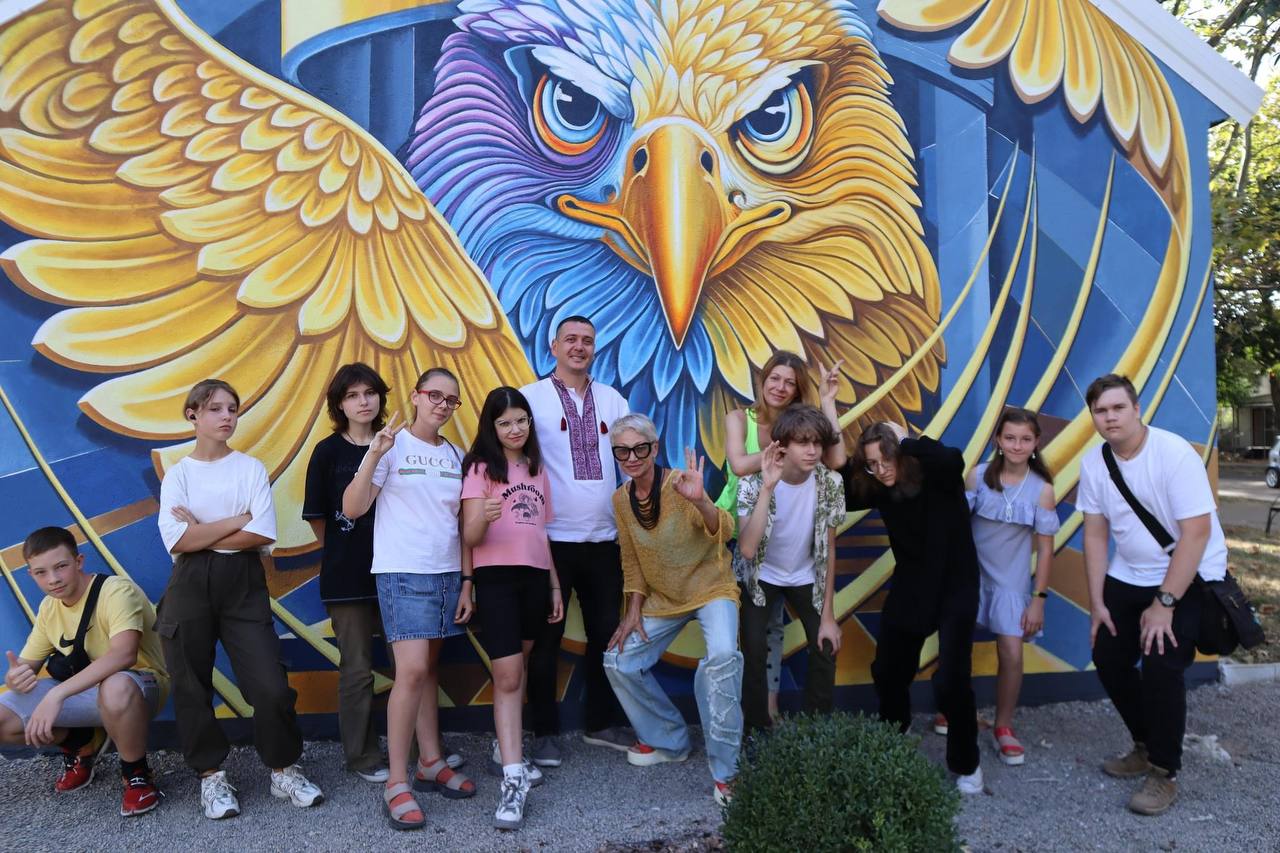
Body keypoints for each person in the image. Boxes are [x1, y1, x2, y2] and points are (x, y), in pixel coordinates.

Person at [156, 379, 322, 820]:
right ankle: (210, 776)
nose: (227, 416)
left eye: (232, 408)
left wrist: (201, 531)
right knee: (191, 683)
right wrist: (236, 520)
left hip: (244, 583)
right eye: (215, 408)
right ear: (193, 415)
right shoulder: (179, 475)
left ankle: (283, 768)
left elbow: (261, 533)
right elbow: (177, 540)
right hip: (190, 584)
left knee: (270, 684)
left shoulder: (249, 469)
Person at [1078, 374, 1227, 816]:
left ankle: (1164, 771)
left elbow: (1196, 534)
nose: (1110, 417)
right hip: (1129, 574)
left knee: (1161, 664)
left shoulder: (1173, 454)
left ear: (1137, 409)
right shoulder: (1094, 463)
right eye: (1101, 411)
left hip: (1189, 573)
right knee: (1108, 657)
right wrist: (1097, 603)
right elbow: (1095, 535)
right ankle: (1145, 744)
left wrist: (1164, 604)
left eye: (1118, 408)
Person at [343, 368, 476, 830]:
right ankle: (396, 782)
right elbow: (353, 507)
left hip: (445, 574)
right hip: (403, 572)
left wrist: (466, 582)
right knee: (413, 671)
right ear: (416, 397)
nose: (442, 404)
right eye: (434, 395)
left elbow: (460, 524)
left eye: (451, 400)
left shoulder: (455, 455)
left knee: (429, 671)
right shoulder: (392, 444)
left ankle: (430, 762)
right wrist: (373, 453)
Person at [603, 415, 743, 806]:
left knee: (723, 659)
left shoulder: (681, 483)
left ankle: (727, 773)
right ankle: (670, 740)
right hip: (664, 599)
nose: (632, 458)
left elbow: (724, 531)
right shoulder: (621, 500)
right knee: (618, 660)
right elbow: (631, 561)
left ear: (655, 448)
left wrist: (701, 501)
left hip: (711, 588)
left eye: (640, 448)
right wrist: (633, 609)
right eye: (623, 451)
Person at [843, 422, 982, 795]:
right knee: (888, 669)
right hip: (912, 586)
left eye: (886, 460)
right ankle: (895, 729)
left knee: (952, 680)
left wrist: (904, 440)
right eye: (872, 463)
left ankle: (967, 764)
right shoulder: (878, 486)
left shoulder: (936, 474)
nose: (880, 469)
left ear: (901, 454)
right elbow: (842, 490)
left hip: (956, 586)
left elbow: (952, 460)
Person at [521, 316, 631, 763]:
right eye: (570, 339)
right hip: (549, 540)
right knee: (545, 637)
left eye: (587, 341)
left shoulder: (613, 399)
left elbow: (631, 465)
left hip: (605, 539)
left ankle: (600, 724)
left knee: (606, 633)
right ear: (554, 347)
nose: (579, 347)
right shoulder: (531, 399)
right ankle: (543, 732)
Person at [1, 527, 168, 815]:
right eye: (41, 572)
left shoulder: (115, 590)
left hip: (139, 688)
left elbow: (124, 654)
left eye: (60, 566)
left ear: (79, 561)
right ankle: (80, 744)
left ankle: (136, 775)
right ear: (30, 574)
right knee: (3, 718)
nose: (52, 579)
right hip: (86, 693)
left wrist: (56, 696)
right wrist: (15, 678)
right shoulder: (49, 607)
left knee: (116, 686)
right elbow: (26, 666)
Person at [717, 351, 847, 721]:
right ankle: (758, 724)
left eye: (790, 382)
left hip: (797, 560)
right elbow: (739, 466)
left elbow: (836, 460)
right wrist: (776, 464)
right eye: (775, 378)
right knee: (756, 639)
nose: (781, 387)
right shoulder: (740, 420)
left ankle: (804, 726)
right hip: (747, 526)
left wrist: (827, 403)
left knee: (799, 635)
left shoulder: (819, 464)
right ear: (763, 380)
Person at [461, 387, 564, 830]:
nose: (514, 429)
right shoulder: (480, 468)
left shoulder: (537, 469)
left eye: (520, 420)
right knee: (506, 676)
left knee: (517, 672)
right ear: (492, 427)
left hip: (536, 579)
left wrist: (555, 585)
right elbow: (469, 537)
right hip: (497, 580)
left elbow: (541, 533)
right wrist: (483, 516)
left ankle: (507, 748)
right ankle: (513, 779)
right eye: (504, 422)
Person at [303, 363, 391, 783]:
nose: (363, 402)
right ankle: (362, 756)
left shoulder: (395, 445)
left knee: (412, 666)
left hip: (398, 572)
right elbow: (319, 520)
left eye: (369, 393)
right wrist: (345, 550)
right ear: (340, 404)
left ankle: (421, 748)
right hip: (346, 579)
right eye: (352, 395)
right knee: (357, 670)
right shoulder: (327, 452)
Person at [736, 405, 844, 735]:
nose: (812, 451)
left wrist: (828, 616)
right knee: (754, 648)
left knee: (826, 643)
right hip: (761, 575)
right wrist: (768, 488)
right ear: (782, 445)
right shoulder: (753, 482)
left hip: (805, 574)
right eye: (803, 442)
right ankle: (756, 731)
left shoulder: (830, 482)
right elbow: (747, 550)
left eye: (817, 443)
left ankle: (815, 732)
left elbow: (829, 549)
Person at [965, 408, 1059, 765]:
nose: (1017, 445)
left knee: (1012, 654)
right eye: (1010, 438)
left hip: (1011, 581)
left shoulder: (1043, 490)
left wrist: (1039, 599)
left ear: (1036, 443)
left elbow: (1046, 550)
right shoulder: (976, 477)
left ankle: (1003, 726)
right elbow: (957, 526)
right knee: (955, 645)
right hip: (970, 575)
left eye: (1025, 439)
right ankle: (950, 710)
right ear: (998, 441)